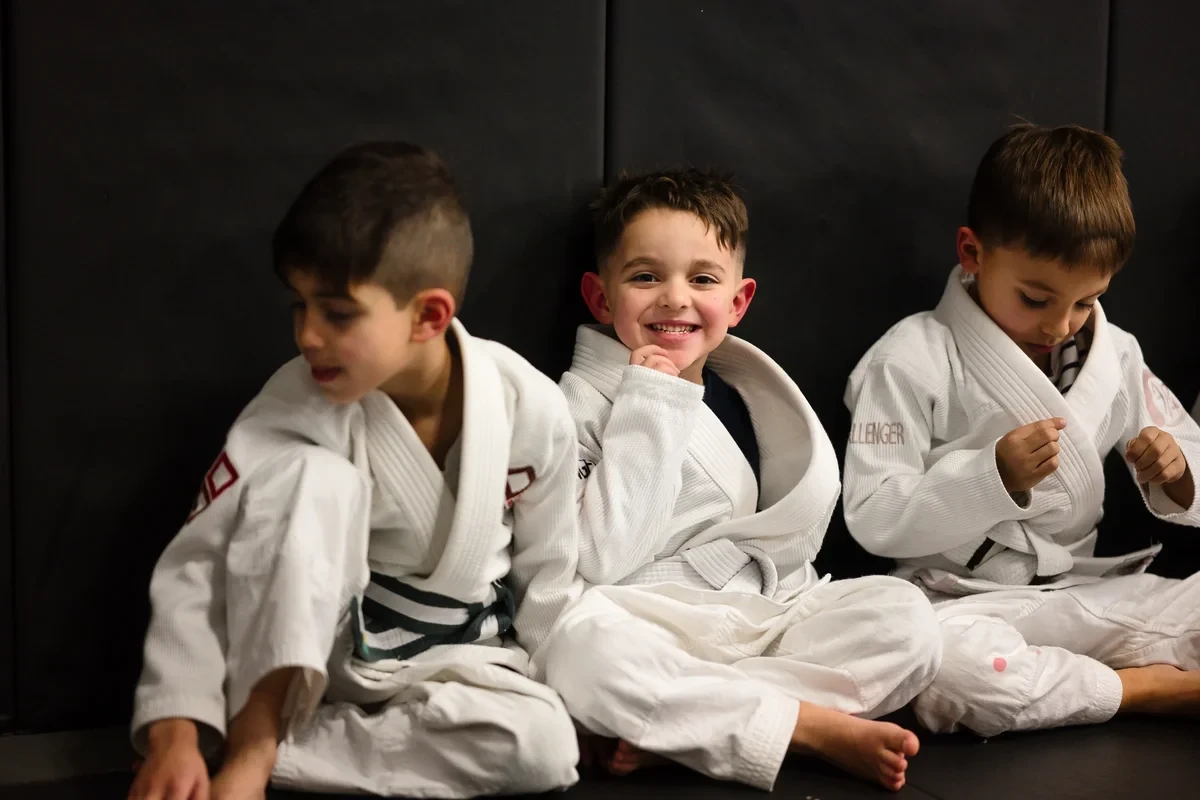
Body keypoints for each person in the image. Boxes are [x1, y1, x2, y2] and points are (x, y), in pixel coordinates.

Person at [128, 142, 582, 799]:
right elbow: (198, 563)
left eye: (337, 313)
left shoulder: (529, 406)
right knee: (313, 478)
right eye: (298, 305)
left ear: (428, 315)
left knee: (542, 750)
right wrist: (173, 733)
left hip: (458, 668)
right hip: (311, 662)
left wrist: (567, 693)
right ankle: (252, 755)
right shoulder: (295, 401)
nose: (307, 335)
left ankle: (291, 755)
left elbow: (549, 578)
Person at [538, 168, 942, 793]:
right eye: (646, 276)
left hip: (752, 620)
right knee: (577, 656)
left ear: (737, 302)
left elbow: (782, 546)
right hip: (642, 623)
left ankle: (684, 731)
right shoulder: (573, 408)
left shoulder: (740, 397)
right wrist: (650, 404)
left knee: (906, 618)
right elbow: (601, 557)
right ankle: (807, 727)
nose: (674, 297)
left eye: (701, 278)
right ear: (600, 297)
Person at [843, 123, 1200, 737]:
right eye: (1036, 299)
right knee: (944, 670)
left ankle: (1067, 679)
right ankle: (1138, 688)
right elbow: (873, 514)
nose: (1061, 325)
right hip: (956, 603)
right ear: (973, 253)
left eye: (1086, 301)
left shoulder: (1115, 354)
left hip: (1080, 597)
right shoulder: (908, 357)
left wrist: (1176, 471)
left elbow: (1186, 454)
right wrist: (990, 478)